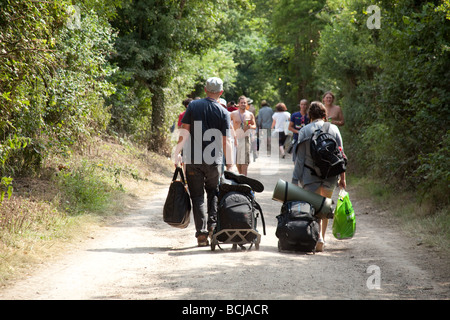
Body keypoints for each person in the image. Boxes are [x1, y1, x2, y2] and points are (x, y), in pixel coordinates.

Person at [174, 77, 232, 247]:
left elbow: (184, 132)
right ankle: (213, 226)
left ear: (205, 90)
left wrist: (177, 154)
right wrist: (230, 163)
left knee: (197, 196)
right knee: (213, 192)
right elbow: (225, 140)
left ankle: (201, 234)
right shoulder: (224, 112)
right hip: (214, 160)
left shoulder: (192, 106)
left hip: (192, 159)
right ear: (221, 93)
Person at [292, 101, 346, 252]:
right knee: (326, 205)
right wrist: (343, 178)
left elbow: (300, 159)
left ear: (310, 115)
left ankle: (317, 238)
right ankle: (322, 237)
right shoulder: (333, 128)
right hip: (330, 174)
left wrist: (295, 180)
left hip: (310, 175)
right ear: (324, 115)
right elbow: (341, 155)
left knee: (315, 206)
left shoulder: (304, 130)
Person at [230, 95, 256, 176]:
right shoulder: (233, 114)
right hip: (236, 139)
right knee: (238, 162)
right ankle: (241, 176)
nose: (243, 104)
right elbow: (227, 124)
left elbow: (254, 126)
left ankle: (244, 178)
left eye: (245, 103)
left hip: (246, 139)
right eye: (242, 103)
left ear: (247, 104)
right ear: (238, 104)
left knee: (245, 161)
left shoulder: (250, 114)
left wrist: (250, 126)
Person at [288, 99, 310, 165]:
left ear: (307, 106)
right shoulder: (295, 115)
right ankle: (296, 169)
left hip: (307, 138)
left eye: (305, 104)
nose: (303, 106)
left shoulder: (309, 116)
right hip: (297, 138)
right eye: (302, 104)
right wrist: (297, 132)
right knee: (295, 155)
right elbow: (290, 127)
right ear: (300, 105)